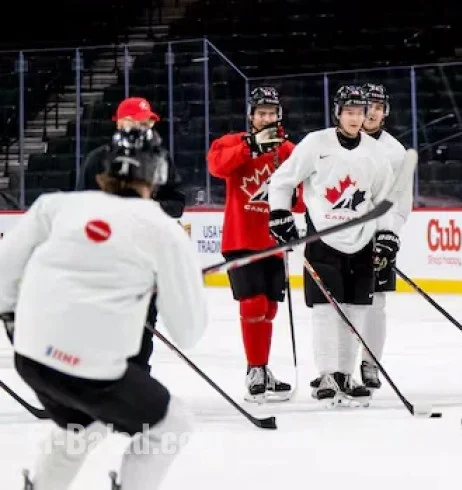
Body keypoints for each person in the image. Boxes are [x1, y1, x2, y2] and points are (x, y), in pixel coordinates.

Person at [0, 127, 207, 489]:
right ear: (157, 175)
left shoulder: (56, 206)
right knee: (172, 424)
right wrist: (168, 283)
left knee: (82, 425)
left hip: (31, 357)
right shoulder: (163, 230)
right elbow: (188, 332)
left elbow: (4, 271)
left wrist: (16, 324)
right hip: (92, 372)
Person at [268, 85, 400, 407]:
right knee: (326, 309)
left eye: (360, 112)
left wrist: (387, 234)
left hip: (362, 240)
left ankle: (344, 374)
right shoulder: (316, 143)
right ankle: (326, 374)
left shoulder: (376, 152)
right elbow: (282, 180)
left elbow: (385, 198)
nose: (356, 118)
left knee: (357, 309)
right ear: (338, 113)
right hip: (323, 239)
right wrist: (279, 214)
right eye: (349, 112)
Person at [75, 96, 185, 376]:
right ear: (119, 123)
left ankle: (137, 381)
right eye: (135, 122)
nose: (141, 128)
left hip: (146, 260)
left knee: (143, 329)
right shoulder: (98, 160)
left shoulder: (161, 159)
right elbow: (80, 208)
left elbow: (177, 203)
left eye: (146, 123)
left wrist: (150, 206)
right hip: (106, 260)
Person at [207, 86, 300, 402]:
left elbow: (302, 197)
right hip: (240, 239)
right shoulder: (232, 142)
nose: (267, 118)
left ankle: (262, 368)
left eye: (272, 113)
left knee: (269, 308)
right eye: (261, 113)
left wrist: (293, 203)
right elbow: (217, 167)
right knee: (253, 304)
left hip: (273, 240)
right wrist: (249, 148)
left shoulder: (288, 151)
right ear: (251, 116)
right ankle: (255, 370)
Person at [356, 82, 411, 390]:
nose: (372, 112)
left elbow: (402, 204)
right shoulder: (334, 144)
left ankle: (370, 363)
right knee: (341, 306)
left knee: (375, 304)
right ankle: (337, 368)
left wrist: (388, 236)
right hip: (343, 238)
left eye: (378, 107)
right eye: (368, 106)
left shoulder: (396, 152)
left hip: (378, 238)